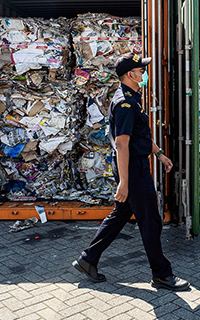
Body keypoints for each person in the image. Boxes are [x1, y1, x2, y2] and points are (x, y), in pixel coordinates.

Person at [73, 53, 190, 291]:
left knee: (120, 215)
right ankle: (162, 275)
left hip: (134, 166)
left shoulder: (132, 98)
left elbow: (140, 135)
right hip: (132, 170)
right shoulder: (124, 103)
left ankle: (88, 259)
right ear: (130, 75)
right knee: (151, 221)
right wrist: (124, 182)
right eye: (141, 70)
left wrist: (159, 153)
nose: (144, 74)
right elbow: (122, 144)